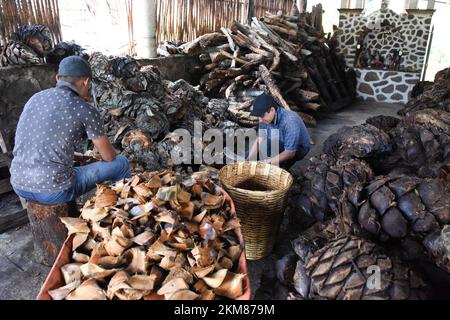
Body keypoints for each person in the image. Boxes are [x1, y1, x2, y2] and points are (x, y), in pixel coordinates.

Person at [10, 56, 131, 205]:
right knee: (121, 163)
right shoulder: (84, 108)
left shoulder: (35, 98)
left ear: (57, 78)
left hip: (18, 184)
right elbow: (109, 157)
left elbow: (39, 143)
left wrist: (76, 156)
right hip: (53, 191)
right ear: (85, 81)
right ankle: (124, 210)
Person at [247, 93, 311, 170]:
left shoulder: (290, 121)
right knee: (247, 154)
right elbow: (259, 140)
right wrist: (249, 159)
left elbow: (290, 152)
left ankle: (282, 167)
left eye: (262, 116)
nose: (260, 120)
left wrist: (266, 162)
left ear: (272, 110)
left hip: (298, 149)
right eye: (258, 117)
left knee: (269, 165)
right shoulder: (264, 119)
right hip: (278, 141)